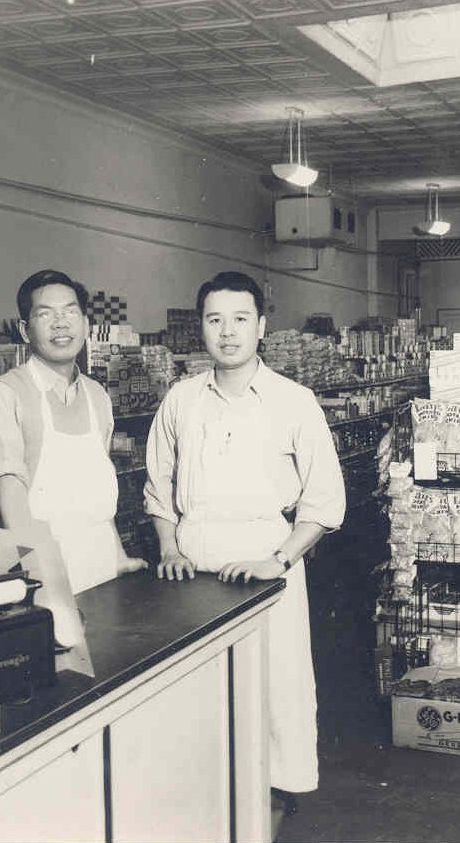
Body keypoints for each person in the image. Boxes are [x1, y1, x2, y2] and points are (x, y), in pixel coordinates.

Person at [143, 271, 345, 825]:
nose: (226, 332)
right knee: (198, 694)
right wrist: (169, 546)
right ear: (200, 329)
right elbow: (158, 488)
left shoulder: (294, 401)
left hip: (268, 562)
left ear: (261, 326)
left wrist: (276, 560)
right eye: (214, 320)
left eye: (239, 319)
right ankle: (204, 808)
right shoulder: (180, 401)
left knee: (274, 688)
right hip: (194, 566)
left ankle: (273, 803)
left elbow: (325, 504)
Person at [0, 269, 146, 595]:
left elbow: (96, 493)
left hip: (104, 579)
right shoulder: (3, 397)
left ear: (85, 324)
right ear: (25, 330)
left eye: (70, 311)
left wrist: (119, 558)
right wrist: (53, 597)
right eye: (45, 314)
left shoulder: (97, 397)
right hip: (40, 584)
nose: (60, 323)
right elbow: (13, 511)